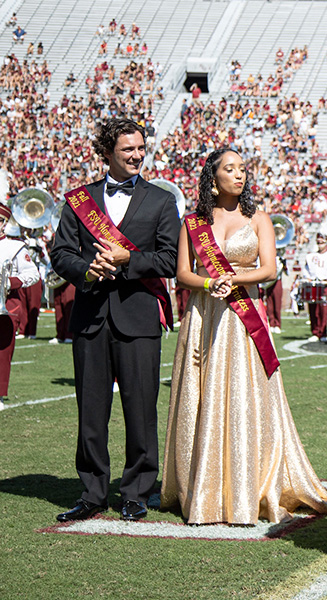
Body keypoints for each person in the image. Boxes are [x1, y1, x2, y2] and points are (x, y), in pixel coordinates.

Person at [160, 148, 327, 524]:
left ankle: (248, 483)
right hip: (205, 314)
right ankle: (204, 488)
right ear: (212, 181)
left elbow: (268, 269)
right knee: (203, 394)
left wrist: (231, 280)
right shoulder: (192, 223)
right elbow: (182, 273)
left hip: (244, 312)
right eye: (229, 169)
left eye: (243, 169)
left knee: (246, 395)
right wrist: (209, 282)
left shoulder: (259, 218)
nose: (239, 175)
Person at [51, 118, 180, 522]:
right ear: (107, 152)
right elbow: (60, 254)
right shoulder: (78, 200)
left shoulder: (161, 201)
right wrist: (88, 270)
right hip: (90, 317)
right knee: (91, 411)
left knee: (141, 410)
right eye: (128, 149)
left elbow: (170, 259)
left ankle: (138, 492)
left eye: (141, 148)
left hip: (139, 319)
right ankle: (92, 492)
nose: (137, 155)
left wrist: (128, 260)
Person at [0, 201, 40, 409]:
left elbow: (32, 274)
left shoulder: (14, 247)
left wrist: (9, 282)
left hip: (6, 304)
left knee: (2, 352)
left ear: (3, 223)